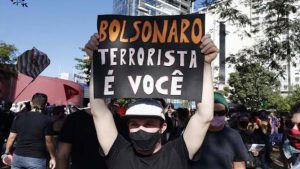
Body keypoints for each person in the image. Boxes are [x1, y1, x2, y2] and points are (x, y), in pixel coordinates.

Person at [84, 33, 218, 169]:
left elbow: (204, 116)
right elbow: (99, 112)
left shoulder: (177, 153)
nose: (140, 129)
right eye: (134, 124)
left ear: (163, 127)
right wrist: (97, 62)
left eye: (148, 124)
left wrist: (205, 64)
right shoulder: (119, 152)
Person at [191, 92, 249, 169]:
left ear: (226, 113)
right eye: (213, 113)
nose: (216, 116)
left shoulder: (234, 136)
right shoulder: (193, 134)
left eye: (221, 113)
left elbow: (239, 164)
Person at [2, 93, 56, 169]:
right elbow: (49, 141)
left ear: (31, 102)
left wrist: (6, 152)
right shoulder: (47, 120)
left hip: (18, 157)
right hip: (37, 158)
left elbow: (11, 137)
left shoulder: (19, 117)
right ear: (45, 105)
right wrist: (52, 157)